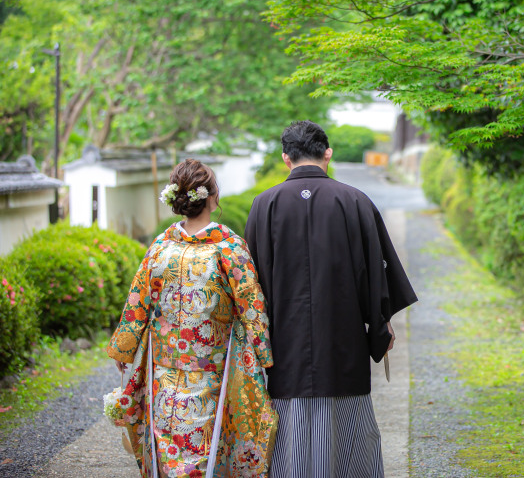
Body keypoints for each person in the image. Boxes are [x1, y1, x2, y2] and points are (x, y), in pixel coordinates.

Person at [244, 120, 418, 478]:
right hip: (343, 341)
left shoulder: (264, 206)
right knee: (348, 436)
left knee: (289, 434)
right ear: (328, 153)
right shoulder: (355, 201)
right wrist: (380, 326)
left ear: (285, 158)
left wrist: (255, 344)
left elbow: (251, 286)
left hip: (284, 346)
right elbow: (376, 272)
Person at [107, 159, 277, 478]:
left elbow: (136, 303)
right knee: (203, 452)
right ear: (212, 197)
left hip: (164, 374)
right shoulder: (228, 249)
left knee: (168, 450)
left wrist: (123, 348)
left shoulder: (160, 248)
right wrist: (264, 355)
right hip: (210, 373)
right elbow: (252, 306)